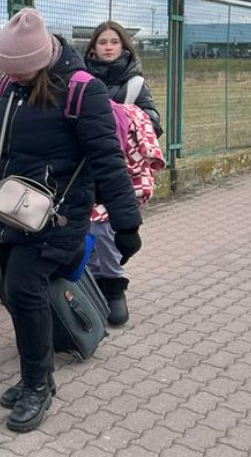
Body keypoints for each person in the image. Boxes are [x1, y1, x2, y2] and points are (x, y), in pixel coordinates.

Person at [0, 8, 141, 433]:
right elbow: (1, 151)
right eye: (9, 71)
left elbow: (108, 160)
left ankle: (36, 385)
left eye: (23, 72)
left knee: (24, 289)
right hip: (9, 212)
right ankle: (39, 371)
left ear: (41, 60)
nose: (16, 78)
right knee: (12, 287)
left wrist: (126, 223)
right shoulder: (10, 86)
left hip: (57, 219)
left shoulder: (85, 91)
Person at [82, 20, 161, 326]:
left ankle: (113, 287)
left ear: (124, 46)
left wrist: (130, 120)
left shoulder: (135, 84)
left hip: (121, 169)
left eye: (114, 42)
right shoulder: (81, 80)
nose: (108, 47)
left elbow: (153, 121)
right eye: (102, 42)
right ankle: (87, 281)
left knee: (107, 226)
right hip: (87, 164)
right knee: (84, 225)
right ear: (93, 47)